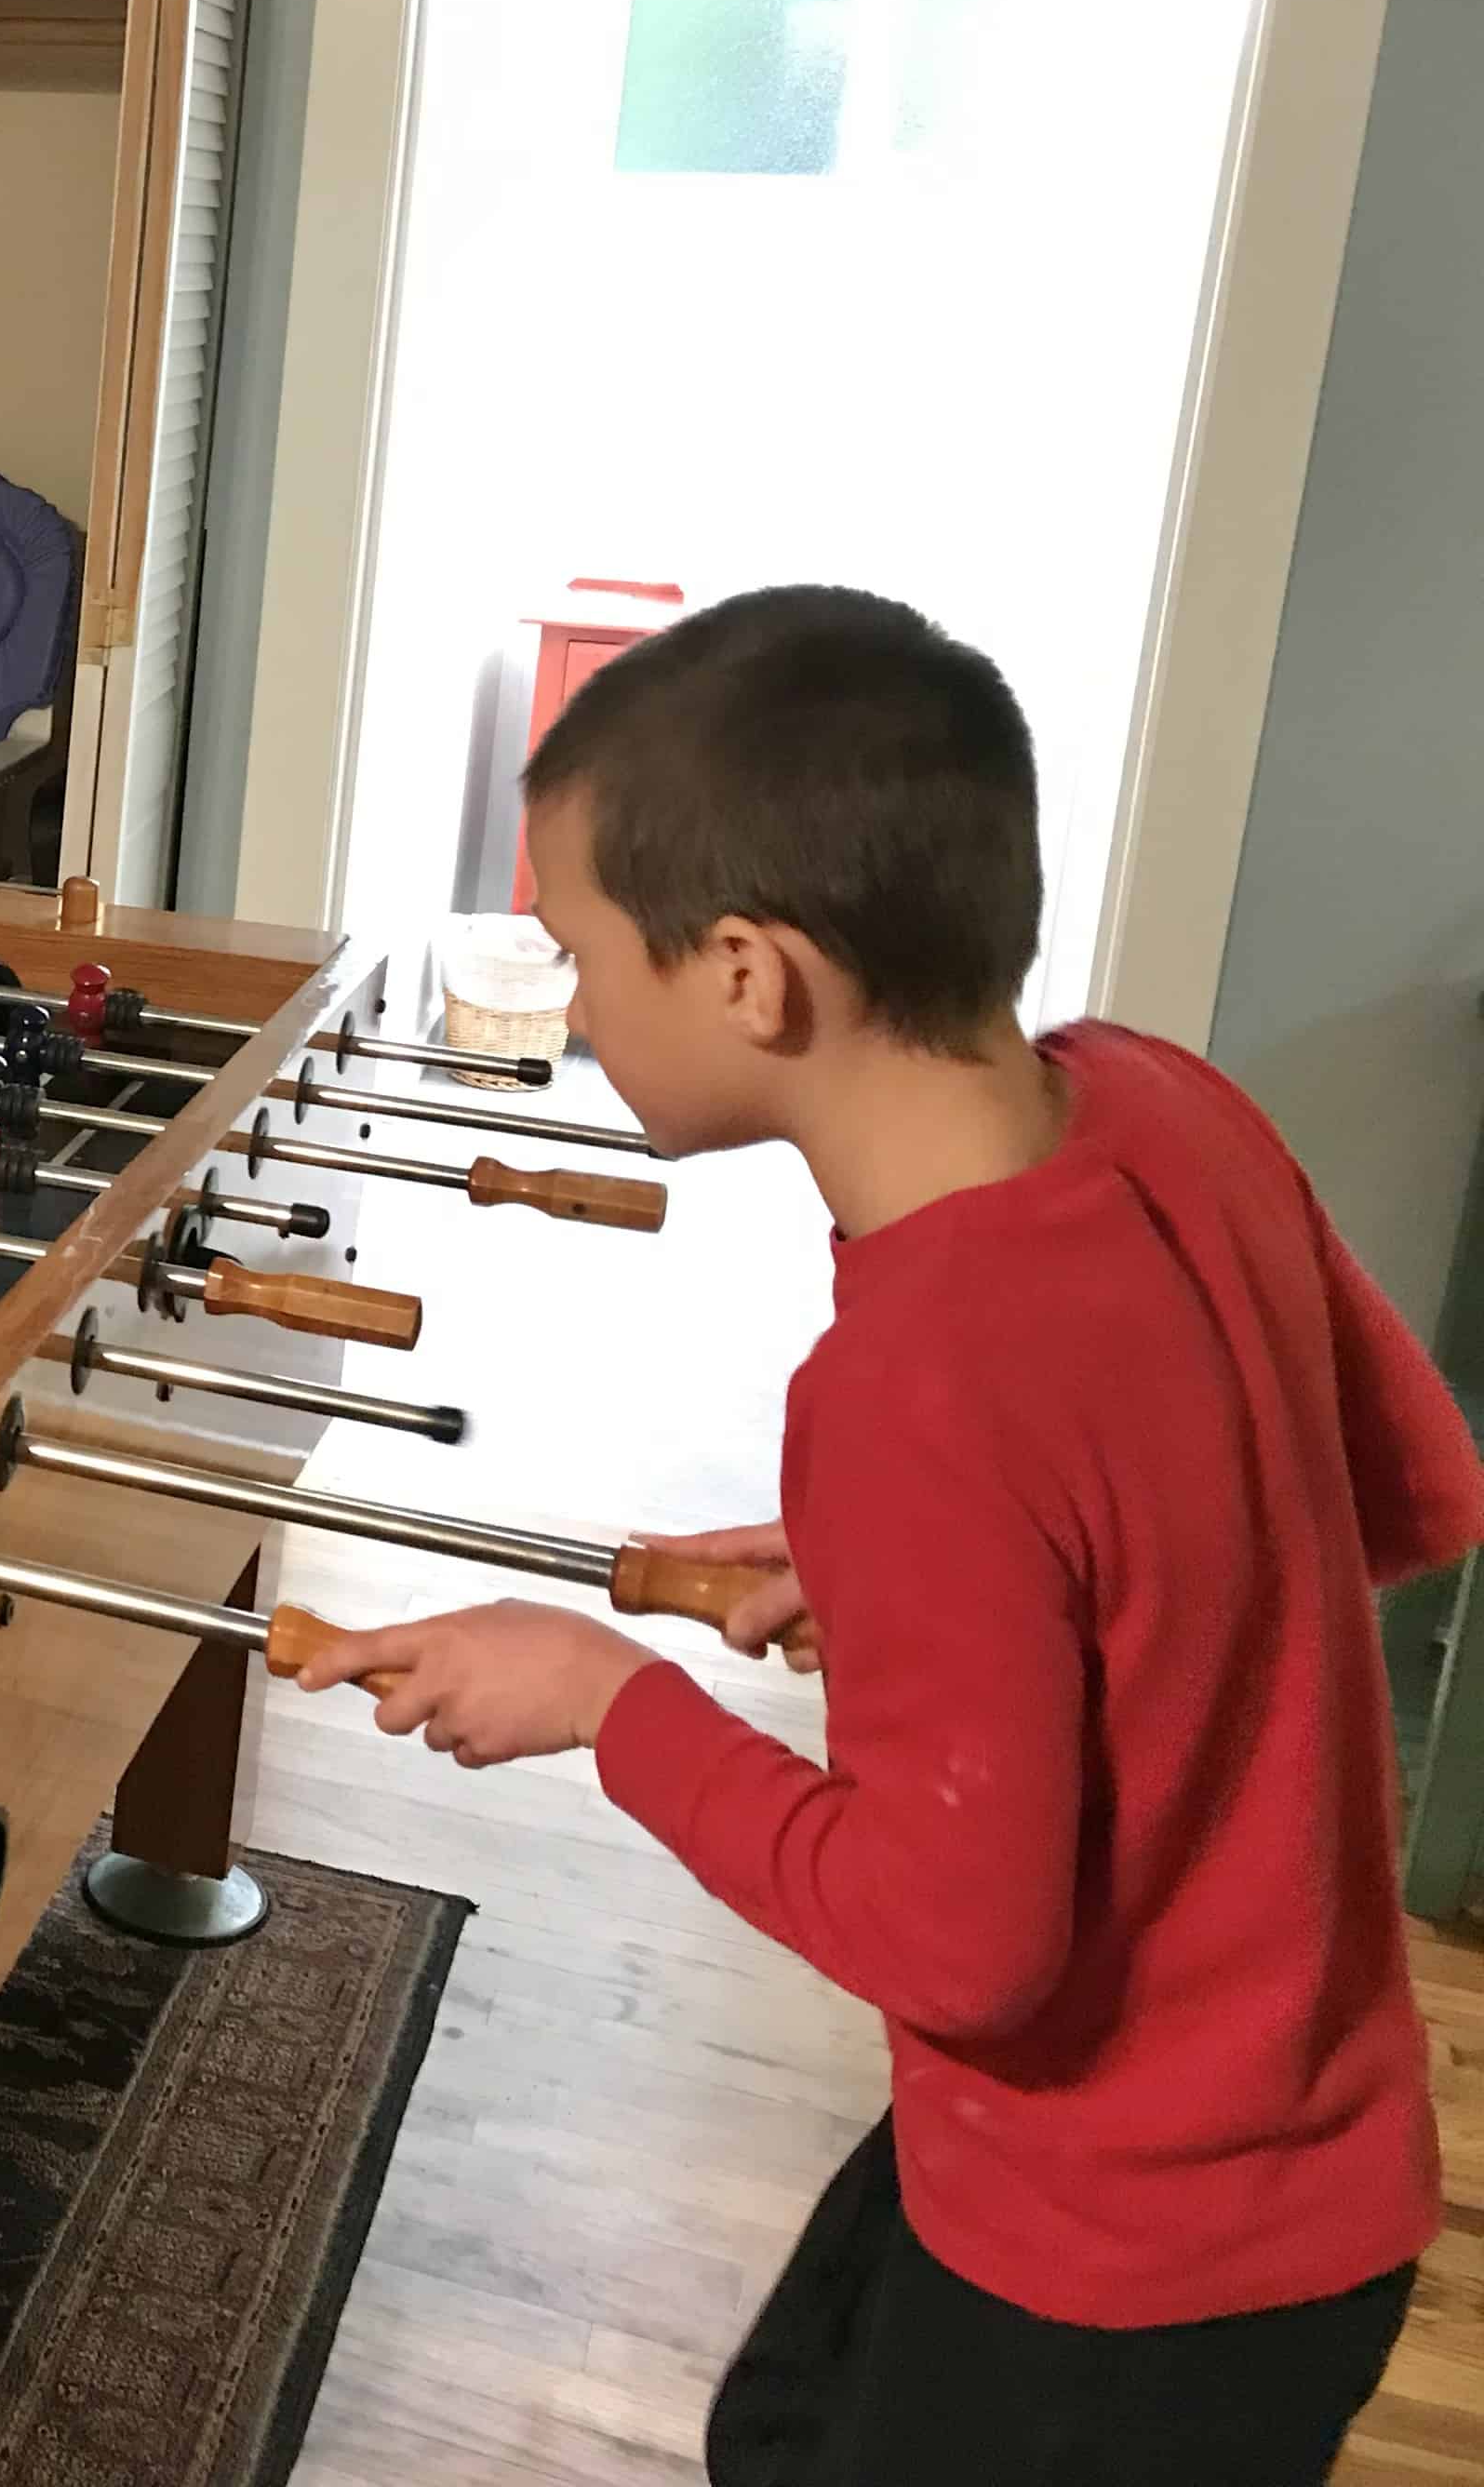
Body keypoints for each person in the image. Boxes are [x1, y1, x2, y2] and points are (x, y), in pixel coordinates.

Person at [296, 586, 1474, 2484]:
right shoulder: (1168, 1105)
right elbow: (1399, 1492)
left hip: (1122, 2258)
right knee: (780, 2426)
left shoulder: (915, 1385)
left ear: (752, 976)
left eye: (582, 951)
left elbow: (963, 1946)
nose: (572, 994)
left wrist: (614, 1708)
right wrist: (957, 1592)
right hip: (1285, 2170)